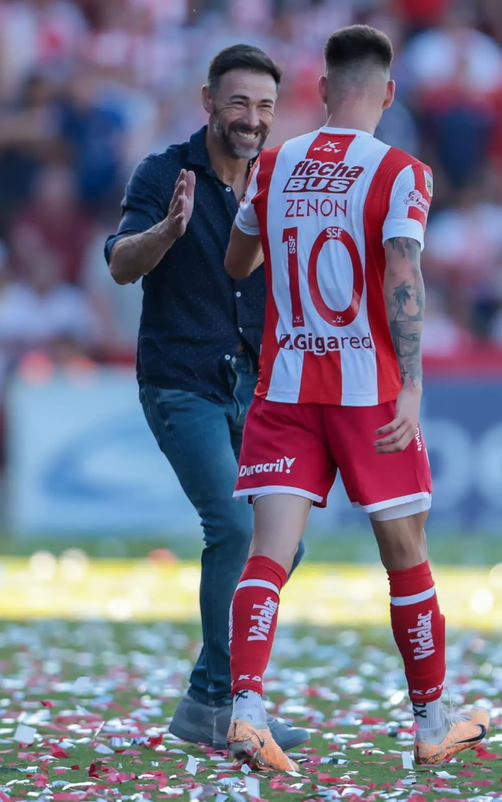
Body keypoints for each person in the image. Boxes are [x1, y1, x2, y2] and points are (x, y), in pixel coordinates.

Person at [223, 25, 490, 772]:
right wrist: (413, 382)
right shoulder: (403, 172)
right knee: (406, 554)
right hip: (367, 391)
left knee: (268, 555)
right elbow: (403, 271)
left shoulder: (275, 162)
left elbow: (238, 261)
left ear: (321, 89)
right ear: (389, 93)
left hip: (286, 385)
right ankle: (431, 723)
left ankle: (246, 711)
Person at [104, 45, 308, 752]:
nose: (252, 118)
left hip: (256, 384)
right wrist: (167, 231)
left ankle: (207, 698)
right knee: (233, 527)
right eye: (239, 102)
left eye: (265, 106)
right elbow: (120, 264)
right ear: (209, 102)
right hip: (181, 381)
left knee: (285, 541)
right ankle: (223, 703)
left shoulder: (278, 178)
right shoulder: (165, 173)